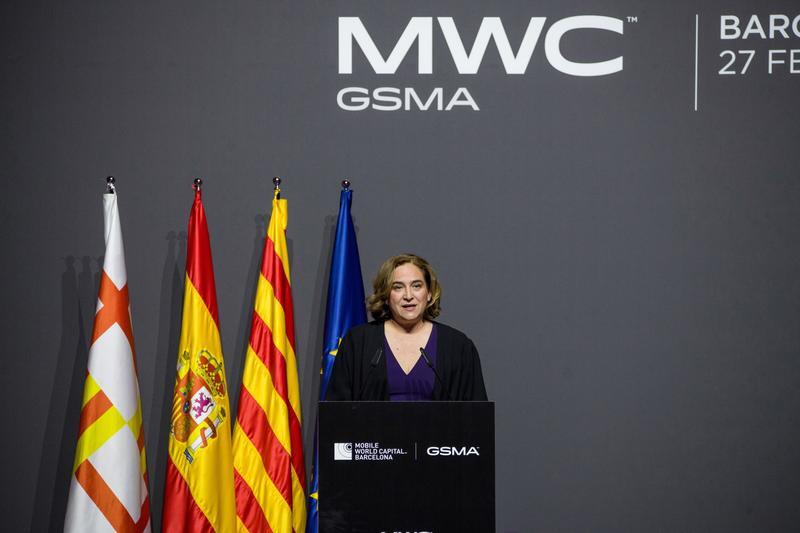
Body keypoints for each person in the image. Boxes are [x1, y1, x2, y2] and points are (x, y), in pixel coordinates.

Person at [326, 254, 487, 401]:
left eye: (417, 286)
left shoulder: (458, 347)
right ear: (386, 296)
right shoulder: (357, 342)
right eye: (398, 287)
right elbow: (336, 412)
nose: (408, 296)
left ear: (429, 293)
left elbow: (476, 416)